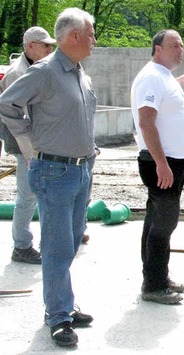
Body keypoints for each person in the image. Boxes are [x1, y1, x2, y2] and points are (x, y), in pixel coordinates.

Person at [0, 8, 97, 347]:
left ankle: (61, 304)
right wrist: (30, 142)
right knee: (56, 247)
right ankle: (58, 317)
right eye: (90, 34)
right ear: (73, 37)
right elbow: (7, 104)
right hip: (55, 170)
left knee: (70, 242)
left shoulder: (78, 72)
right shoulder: (46, 72)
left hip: (81, 168)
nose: (94, 41)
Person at [131, 29, 184, 305]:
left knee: (156, 220)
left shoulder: (161, 77)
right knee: (164, 223)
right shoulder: (151, 77)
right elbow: (146, 122)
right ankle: (154, 285)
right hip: (161, 161)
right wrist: (161, 163)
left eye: (182, 45)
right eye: (174, 45)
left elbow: (163, 100)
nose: (180, 50)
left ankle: (157, 275)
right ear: (157, 49)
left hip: (169, 160)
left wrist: (178, 82)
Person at [0, 27, 55, 264]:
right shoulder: (18, 73)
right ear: (31, 46)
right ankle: (21, 246)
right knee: (27, 195)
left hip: (36, 143)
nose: (49, 49)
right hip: (26, 145)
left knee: (37, 193)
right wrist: (29, 151)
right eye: (45, 45)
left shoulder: (33, 70)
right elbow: (17, 118)